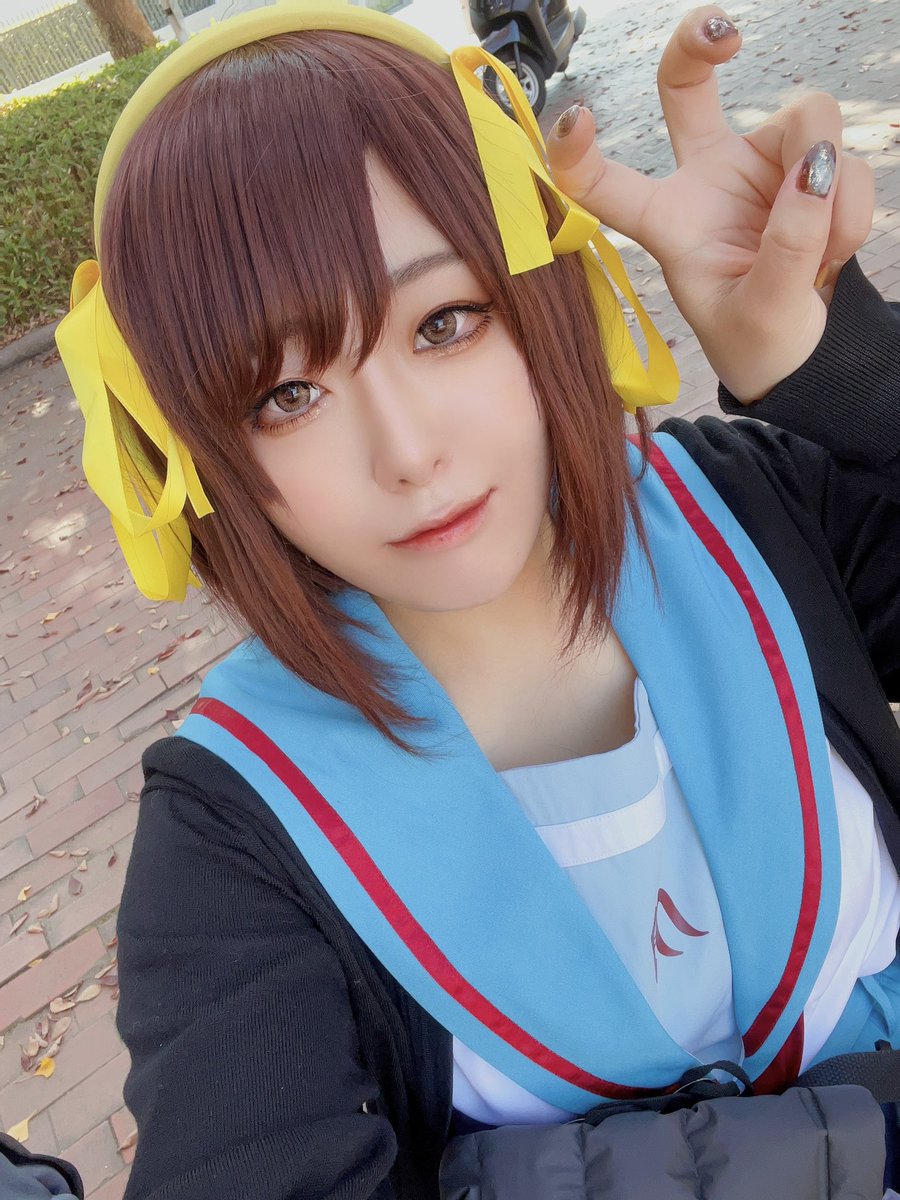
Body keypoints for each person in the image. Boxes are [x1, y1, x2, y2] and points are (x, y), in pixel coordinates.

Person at [53, 2, 900, 1196]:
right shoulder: (235, 829)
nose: (408, 453)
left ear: (541, 289)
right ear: (194, 454)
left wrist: (830, 366)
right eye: (284, 397)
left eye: (444, 323)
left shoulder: (749, 516)